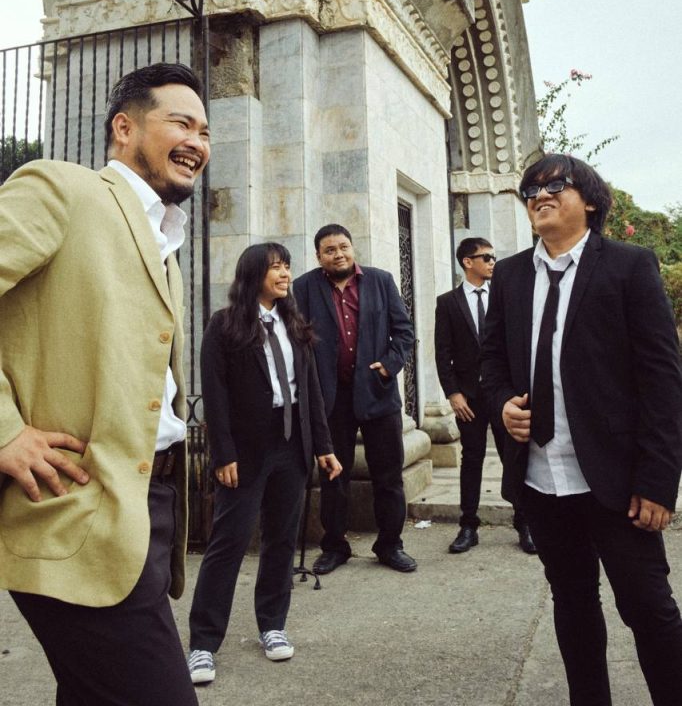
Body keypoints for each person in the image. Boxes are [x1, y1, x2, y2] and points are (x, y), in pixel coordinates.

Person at [0, 61, 211, 706]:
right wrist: (4, 432)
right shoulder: (60, 188)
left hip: (149, 508)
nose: (198, 142)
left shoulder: (165, 241)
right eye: (181, 123)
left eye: (205, 132)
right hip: (72, 511)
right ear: (124, 127)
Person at [481, 152, 682, 706]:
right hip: (542, 479)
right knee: (572, 603)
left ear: (589, 200)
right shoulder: (511, 275)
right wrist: (501, 404)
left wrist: (658, 482)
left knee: (648, 608)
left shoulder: (628, 266)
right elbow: (492, 360)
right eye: (531, 191)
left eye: (555, 186)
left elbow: (663, 380)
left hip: (618, 484)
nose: (540, 196)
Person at [187, 243, 341, 683]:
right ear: (254, 274)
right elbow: (215, 394)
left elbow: (309, 389)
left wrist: (323, 446)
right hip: (247, 451)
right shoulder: (225, 326)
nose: (285, 273)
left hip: (292, 444)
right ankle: (203, 643)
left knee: (281, 540)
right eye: (276, 267)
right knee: (229, 542)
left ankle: (272, 624)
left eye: (287, 266)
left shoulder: (294, 323)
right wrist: (223, 453)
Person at [293, 224, 417, 574]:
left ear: (352, 248)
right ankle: (335, 546)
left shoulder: (380, 281)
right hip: (331, 400)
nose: (339, 254)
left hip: (377, 393)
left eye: (343, 247)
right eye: (330, 250)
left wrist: (389, 365)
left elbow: (404, 332)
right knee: (334, 476)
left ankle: (390, 545)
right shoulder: (303, 287)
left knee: (388, 476)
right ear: (319, 256)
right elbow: (296, 338)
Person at [435, 237, 536, 554]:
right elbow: (443, 353)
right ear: (468, 262)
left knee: (513, 458)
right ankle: (468, 526)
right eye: (486, 257)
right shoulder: (448, 302)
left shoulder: (505, 297)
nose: (493, 262)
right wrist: (453, 393)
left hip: (505, 395)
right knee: (472, 458)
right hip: (470, 398)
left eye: (494, 256)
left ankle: (525, 523)